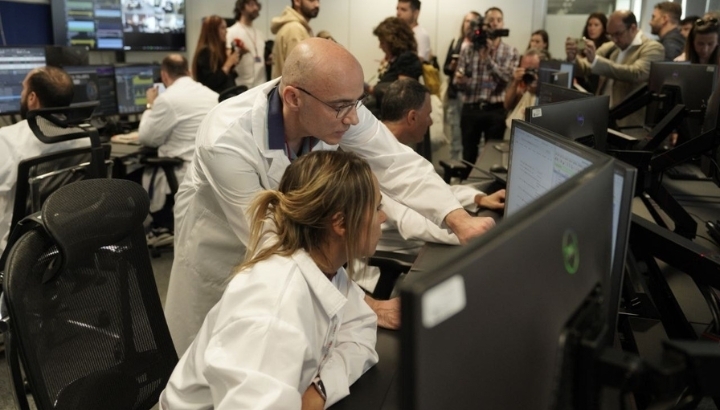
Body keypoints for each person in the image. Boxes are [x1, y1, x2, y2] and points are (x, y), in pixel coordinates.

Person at [164, 38, 496, 355]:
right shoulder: (226, 141)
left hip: (294, 272)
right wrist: (371, 306)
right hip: (224, 263)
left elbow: (396, 162)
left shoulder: (337, 101)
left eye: (358, 103)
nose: (353, 118)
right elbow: (274, 244)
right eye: (341, 107)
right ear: (293, 98)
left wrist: (459, 219)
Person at [160, 150, 381, 409]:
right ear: (340, 224)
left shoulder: (327, 269)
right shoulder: (272, 307)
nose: (383, 218)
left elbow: (360, 329)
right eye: (377, 208)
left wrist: (320, 390)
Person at [355, 78, 506, 292]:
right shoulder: (372, 163)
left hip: (412, 248)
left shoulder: (395, 153)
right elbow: (411, 222)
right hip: (387, 265)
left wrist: (477, 199)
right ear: (412, 117)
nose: (432, 122)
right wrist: (478, 230)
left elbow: (429, 191)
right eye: (429, 115)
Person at [0, 66, 85, 253]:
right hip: (66, 240)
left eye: (23, 89)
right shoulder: (85, 138)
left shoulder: (7, 139)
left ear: (32, 98)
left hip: (17, 249)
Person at [138, 54, 218, 235]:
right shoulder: (211, 95)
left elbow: (147, 138)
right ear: (188, 71)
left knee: (130, 172)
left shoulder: (167, 100)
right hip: (208, 171)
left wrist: (150, 105)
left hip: (178, 175)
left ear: (164, 75)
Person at [566, 10, 664, 128]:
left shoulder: (652, 48)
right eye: (610, 35)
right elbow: (586, 67)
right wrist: (573, 58)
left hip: (628, 123)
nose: (614, 39)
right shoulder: (611, 47)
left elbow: (636, 73)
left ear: (633, 28)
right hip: (604, 116)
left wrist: (596, 61)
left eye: (618, 34)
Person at [454, 7, 519, 173]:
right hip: (471, 108)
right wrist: (461, 80)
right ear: (484, 24)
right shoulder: (468, 49)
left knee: (492, 156)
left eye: (498, 20)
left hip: (495, 110)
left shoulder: (510, 51)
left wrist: (487, 58)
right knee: (468, 155)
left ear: (503, 24)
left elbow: (506, 79)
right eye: (491, 20)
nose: (495, 23)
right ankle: (468, 192)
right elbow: (458, 80)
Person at [443, 12, 480, 161]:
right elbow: (445, 68)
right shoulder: (457, 42)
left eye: (472, 22)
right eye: (466, 21)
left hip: (472, 96)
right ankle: (455, 171)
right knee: (455, 135)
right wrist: (452, 66)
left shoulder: (480, 46)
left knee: (473, 137)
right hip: (455, 94)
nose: (469, 25)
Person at [366, 17, 423, 111]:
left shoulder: (407, 58)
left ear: (392, 42)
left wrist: (371, 88)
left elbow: (402, 93)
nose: (380, 46)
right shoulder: (398, 59)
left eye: (382, 42)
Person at [504, 48, 548, 136]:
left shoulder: (548, 84)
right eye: (526, 70)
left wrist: (539, 86)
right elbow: (507, 105)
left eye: (533, 70)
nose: (529, 73)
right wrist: (515, 82)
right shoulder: (521, 82)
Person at [192, 15, 241, 94]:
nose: (226, 31)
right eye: (222, 28)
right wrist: (228, 64)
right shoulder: (205, 53)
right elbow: (210, 82)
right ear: (213, 31)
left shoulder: (220, 51)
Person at [270, 0, 319, 79]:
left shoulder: (298, 28)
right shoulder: (295, 29)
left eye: (318, 0)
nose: (317, 4)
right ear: (297, 1)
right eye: (312, 0)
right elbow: (298, 75)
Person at [226, 0, 267, 89]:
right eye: (251, 4)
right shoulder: (231, 32)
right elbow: (227, 60)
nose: (256, 8)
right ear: (241, 8)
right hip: (241, 87)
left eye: (257, 5)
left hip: (261, 86)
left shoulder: (260, 34)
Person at [575, 12, 611, 93]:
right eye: (589, 25)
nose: (592, 28)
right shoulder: (582, 44)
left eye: (596, 25)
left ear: (603, 27)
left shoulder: (607, 47)